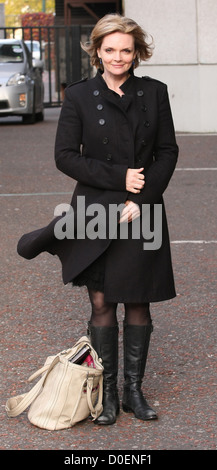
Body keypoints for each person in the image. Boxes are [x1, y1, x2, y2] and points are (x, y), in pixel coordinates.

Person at [17, 13, 179, 425]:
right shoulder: (79, 95)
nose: (118, 57)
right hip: (95, 210)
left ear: (137, 52)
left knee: (138, 299)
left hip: (142, 208)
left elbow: (167, 152)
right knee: (102, 299)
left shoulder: (154, 92)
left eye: (126, 50)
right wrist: (119, 177)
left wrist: (141, 197)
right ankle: (105, 394)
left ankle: (133, 393)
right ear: (97, 51)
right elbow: (65, 156)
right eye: (110, 49)